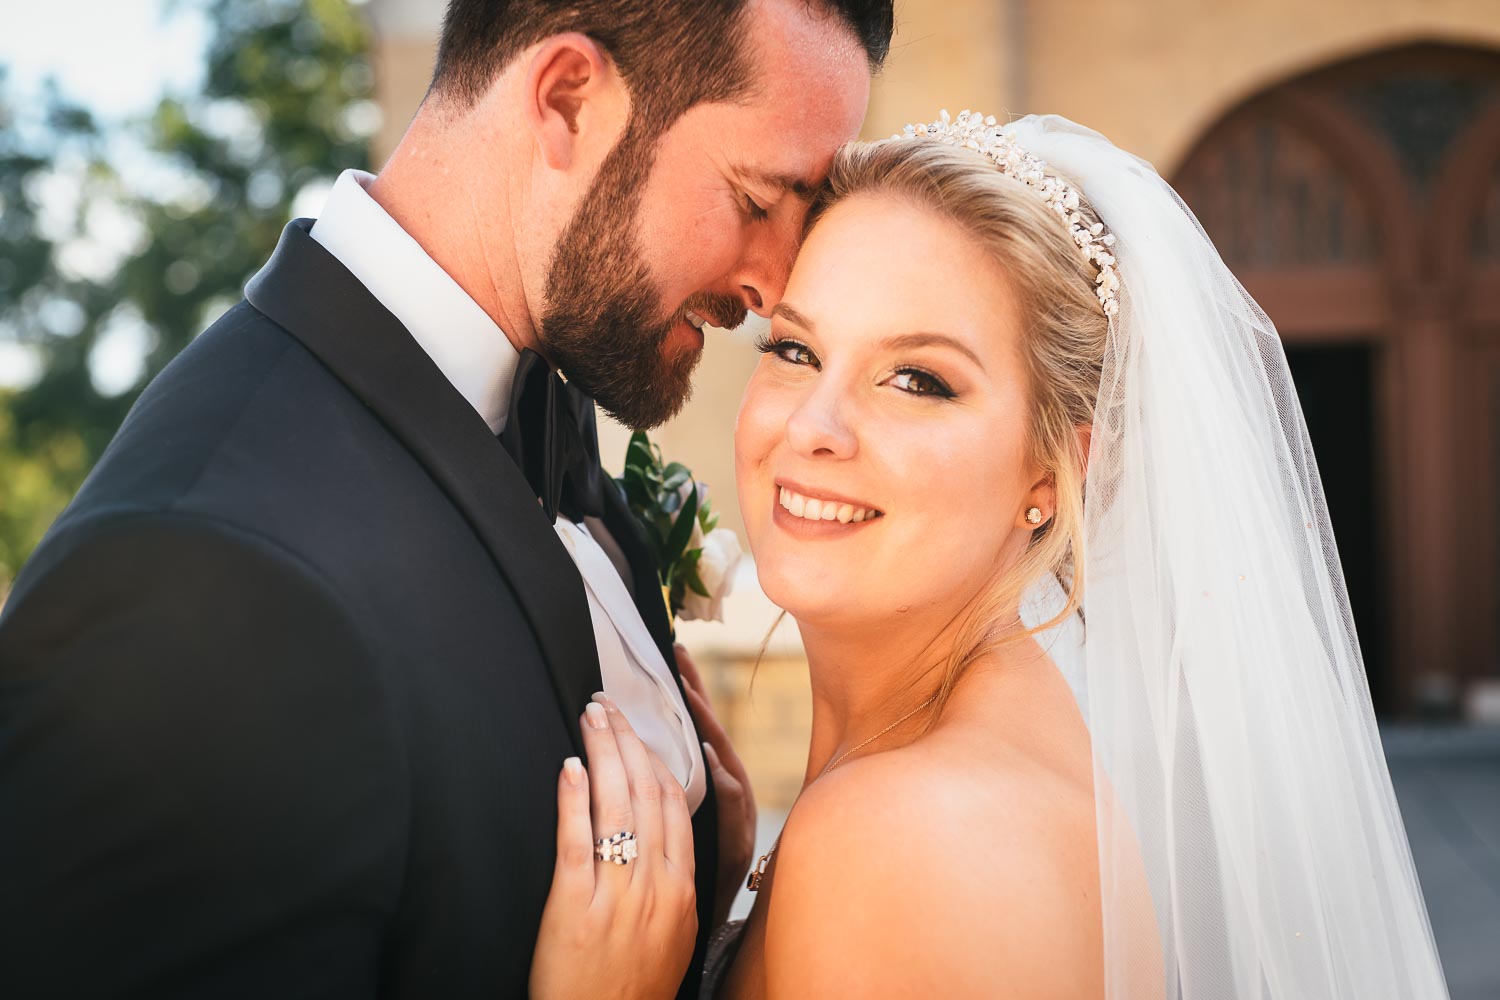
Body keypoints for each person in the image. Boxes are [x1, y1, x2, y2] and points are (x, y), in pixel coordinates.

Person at [0, 1, 893, 996]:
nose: (774, 282)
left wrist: (706, 878)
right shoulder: (191, 583)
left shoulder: (548, 393)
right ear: (566, 99)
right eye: (760, 198)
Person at [532, 113, 1452, 998]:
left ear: (1055, 469)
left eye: (918, 380)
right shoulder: (960, 779)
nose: (814, 428)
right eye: (797, 350)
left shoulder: (907, 839)